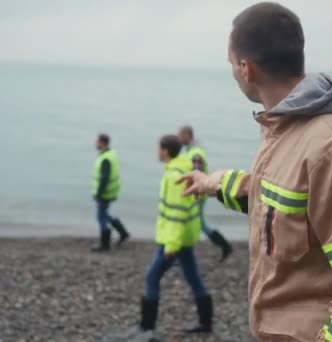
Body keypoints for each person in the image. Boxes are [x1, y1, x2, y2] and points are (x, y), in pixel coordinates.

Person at [177, 3, 332, 341]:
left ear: (246, 68)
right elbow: (280, 199)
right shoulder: (288, 128)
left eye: (230, 64)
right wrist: (213, 183)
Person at [109, 135, 212, 341]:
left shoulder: (173, 176)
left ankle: (147, 329)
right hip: (185, 237)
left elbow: (177, 212)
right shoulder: (184, 167)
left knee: (151, 277)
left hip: (174, 239)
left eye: (158, 148)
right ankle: (205, 323)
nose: (157, 152)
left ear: (165, 151)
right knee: (192, 277)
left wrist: (171, 244)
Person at [178, 125, 233, 261]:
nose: (178, 138)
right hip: (198, 193)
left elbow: (197, 173)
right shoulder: (191, 150)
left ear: (187, 135)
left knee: (197, 223)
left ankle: (225, 246)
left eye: (180, 135)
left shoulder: (195, 153)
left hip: (197, 193)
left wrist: (189, 190)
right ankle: (224, 246)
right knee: (196, 223)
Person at [91, 133, 130, 252]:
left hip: (105, 193)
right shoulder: (110, 154)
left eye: (96, 141)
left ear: (102, 143)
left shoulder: (106, 159)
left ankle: (104, 244)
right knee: (105, 215)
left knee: (100, 217)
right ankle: (123, 232)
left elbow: (104, 178)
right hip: (111, 191)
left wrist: (98, 194)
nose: (95, 143)